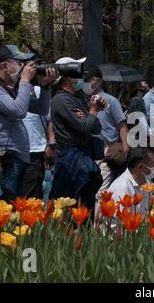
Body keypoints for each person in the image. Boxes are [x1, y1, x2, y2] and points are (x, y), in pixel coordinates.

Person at [0, 44, 58, 200]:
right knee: (5, 207)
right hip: (4, 158)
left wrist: (45, 85)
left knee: (18, 208)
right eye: (20, 63)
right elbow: (19, 111)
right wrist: (25, 80)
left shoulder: (11, 89)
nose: (24, 67)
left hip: (19, 157)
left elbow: (40, 109)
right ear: (5, 66)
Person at [49, 57, 107, 216]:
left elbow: (95, 127)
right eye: (79, 72)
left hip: (83, 157)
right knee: (68, 210)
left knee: (84, 207)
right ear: (68, 77)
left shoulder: (78, 98)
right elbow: (85, 126)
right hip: (71, 159)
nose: (83, 77)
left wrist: (93, 112)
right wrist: (93, 111)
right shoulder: (61, 100)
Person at [82, 65, 129, 199]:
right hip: (86, 151)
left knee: (100, 193)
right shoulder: (82, 100)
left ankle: (100, 220)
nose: (86, 83)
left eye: (89, 80)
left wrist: (125, 146)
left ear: (99, 81)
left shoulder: (111, 101)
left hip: (105, 151)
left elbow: (122, 125)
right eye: (84, 79)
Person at [22, 86, 56, 198]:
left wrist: (51, 144)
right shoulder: (5, 91)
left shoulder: (37, 91)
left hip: (35, 152)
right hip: (12, 153)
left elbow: (51, 119)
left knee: (32, 197)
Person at [107, 147, 154, 215]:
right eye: (152, 164)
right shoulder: (122, 187)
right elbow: (120, 222)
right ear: (140, 167)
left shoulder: (146, 183)